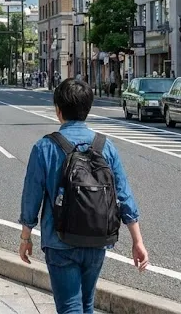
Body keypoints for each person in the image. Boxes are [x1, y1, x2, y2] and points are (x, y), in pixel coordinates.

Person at [18, 79, 148, 313]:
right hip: (97, 238)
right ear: (88, 109)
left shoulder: (45, 147)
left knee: (70, 307)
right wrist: (137, 241)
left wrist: (26, 237)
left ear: (58, 110)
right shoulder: (105, 146)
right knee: (87, 304)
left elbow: (31, 196)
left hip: (59, 241)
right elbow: (123, 194)